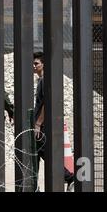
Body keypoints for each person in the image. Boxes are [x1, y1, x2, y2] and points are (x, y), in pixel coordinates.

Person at [33, 51, 74, 191]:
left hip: (42, 126)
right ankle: (34, 186)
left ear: (43, 64)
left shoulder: (44, 80)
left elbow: (46, 103)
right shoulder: (41, 80)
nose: (34, 66)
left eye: (36, 63)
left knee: (45, 154)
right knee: (37, 154)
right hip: (41, 125)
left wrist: (38, 123)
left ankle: (69, 177)